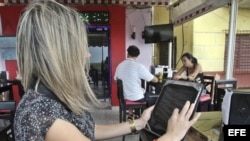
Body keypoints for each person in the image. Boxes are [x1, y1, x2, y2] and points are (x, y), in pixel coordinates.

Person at [14, 1, 201, 141]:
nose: (87, 55)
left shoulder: (48, 97)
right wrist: (172, 136)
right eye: (81, 47)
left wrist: (139, 123)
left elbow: (89, 129)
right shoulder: (42, 115)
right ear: (59, 55)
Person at [114, 45, 158, 117]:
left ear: (127, 53)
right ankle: (147, 119)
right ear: (137, 55)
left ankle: (132, 115)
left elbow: (116, 81)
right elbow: (155, 80)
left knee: (138, 92)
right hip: (136, 98)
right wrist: (157, 77)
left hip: (123, 97)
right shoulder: (139, 66)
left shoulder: (120, 65)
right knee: (154, 97)